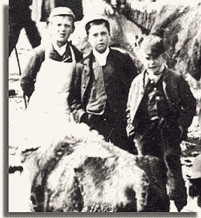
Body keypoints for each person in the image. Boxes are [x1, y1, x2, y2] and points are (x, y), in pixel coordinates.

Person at [126, 35, 196, 212]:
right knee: (148, 175)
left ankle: (179, 206)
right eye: (147, 59)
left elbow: (189, 105)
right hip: (145, 135)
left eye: (155, 58)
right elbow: (130, 108)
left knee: (173, 172)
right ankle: (155, 209)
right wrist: (132, 130)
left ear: (164, 57)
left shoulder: (175, 79)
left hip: (168, 133)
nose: (151, 63)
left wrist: (180, 126)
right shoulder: (137, 82)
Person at [68, 17, 138, 153]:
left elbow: (136, 89)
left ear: (109, 36)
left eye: (103, 34)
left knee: (125, 156)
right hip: (94, 121)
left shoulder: (123, 59)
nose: (100, 38)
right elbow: (73, 98)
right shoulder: (81, 66)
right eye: (95, 35)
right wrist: (82, 116)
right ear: (88, 38)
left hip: (120, 120)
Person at [18, 6, 83, 154]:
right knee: (38, 150)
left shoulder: (76, 55)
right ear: (50, 28)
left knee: (62, 151)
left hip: (64, 111)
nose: (62, 29)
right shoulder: (39, 53)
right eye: (58, 25)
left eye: (67, 26)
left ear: (72, 29)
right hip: (41, 109)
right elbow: (25, 81)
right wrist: (38, 99)